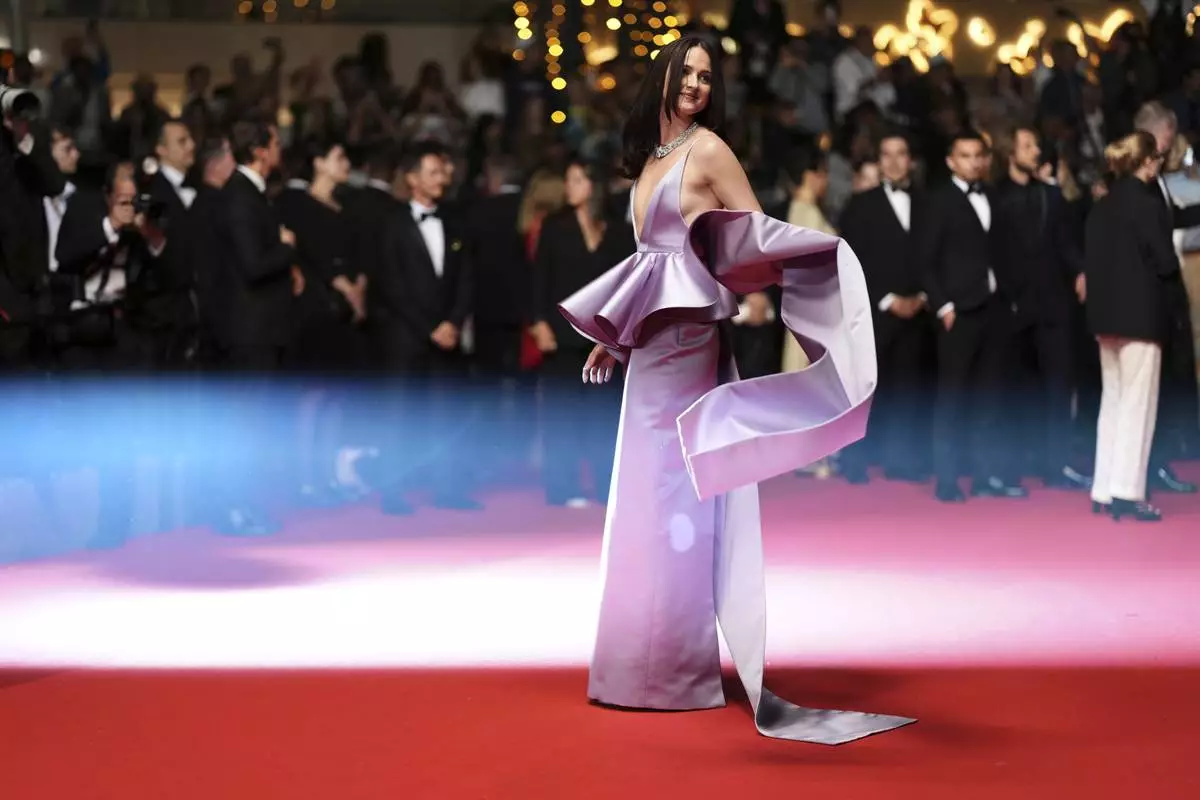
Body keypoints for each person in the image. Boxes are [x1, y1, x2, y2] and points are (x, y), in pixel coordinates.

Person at [558, 35, 914, 743]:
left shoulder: (710, 150)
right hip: (651, 350)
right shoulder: (651, 160)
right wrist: (613, 334)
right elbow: (650, 268)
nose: (694, 84)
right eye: (685, 72)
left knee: (674, 497)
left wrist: (815, 263)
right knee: (643, 499)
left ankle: (673, 669)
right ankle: (636, 664)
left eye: (704, 77)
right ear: (661, 75)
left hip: (690, 345)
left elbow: (754, 239)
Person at [1085, 131, 1179, 522]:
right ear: (1148, 162)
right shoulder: (1147, 204)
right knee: (1137, 405)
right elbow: (1166, 262)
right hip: (1141, 316)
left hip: (1105, 317)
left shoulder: (1101, 207)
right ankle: (1126, 491)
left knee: (1113, 401)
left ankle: (1104, 488)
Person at [529, 157, 633, 507]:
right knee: (562, 415)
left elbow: (625, 285)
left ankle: (608, 486)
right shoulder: (555, 226)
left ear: (593, 186)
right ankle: (562, 487)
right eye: (568, 179)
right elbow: (538, 278)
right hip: (560, 334)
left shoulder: (616, 230)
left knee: (603, 415)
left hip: (603, 337)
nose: (569, 187)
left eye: (576, 180)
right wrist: (538, 322)